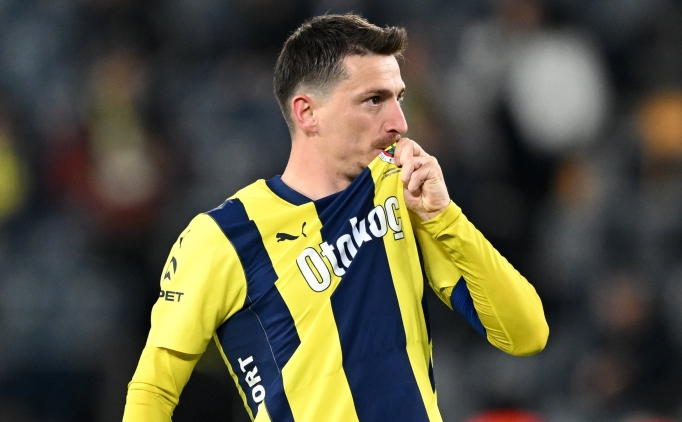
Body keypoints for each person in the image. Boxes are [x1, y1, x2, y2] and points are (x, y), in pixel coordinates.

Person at [123, 13, 549, 422]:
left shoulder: (403, 193)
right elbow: (154, 389)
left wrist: (444, 217)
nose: (399, 122)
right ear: (307, 113)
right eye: (374, 100)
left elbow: (526, 334)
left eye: (399, 98)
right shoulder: (223, 236)